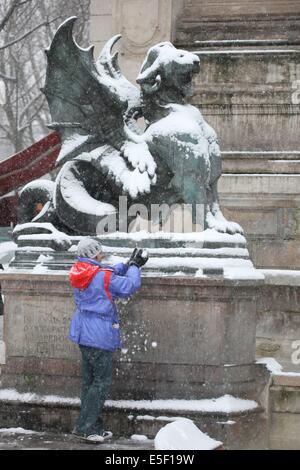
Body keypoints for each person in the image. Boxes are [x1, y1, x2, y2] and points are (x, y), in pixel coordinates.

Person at [68, 237, 148, 443]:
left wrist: (126, 264)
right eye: (99, 254)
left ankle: (92, 425)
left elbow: (105, 272)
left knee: (89, 382)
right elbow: (129, 286)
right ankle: (84, 427)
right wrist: (136, 266)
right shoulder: (100, 275)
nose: (102, 256)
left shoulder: (80, 270)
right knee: (101, 382)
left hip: (83, 331)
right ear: (94, 255)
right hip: (99, 334)